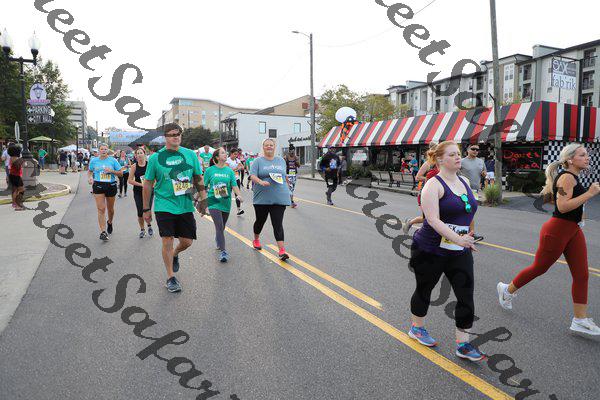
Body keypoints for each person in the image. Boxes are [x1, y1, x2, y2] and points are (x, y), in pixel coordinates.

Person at [497, 144, 600, 336]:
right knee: (539, 268)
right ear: (570, 159)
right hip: (558, 230)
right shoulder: (567, 177)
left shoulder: (572, 177)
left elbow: (556, 200)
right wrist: (589, 193)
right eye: (582, 155)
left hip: (573, 230)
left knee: (582, 275)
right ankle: (507, 290)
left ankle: (580, 319)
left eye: (587, 154)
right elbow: (563, 207)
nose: (587, 157)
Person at [408, 140, 484, 362]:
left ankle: (463, 344)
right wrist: (459, 239)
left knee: (466, 294)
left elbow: (469, 211)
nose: (458, 157)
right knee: (425, 289)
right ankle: (417, 328)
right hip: (430, 249)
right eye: (452, 155)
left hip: (459, 250)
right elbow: (432, 220)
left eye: (458, 153)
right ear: (440, 159)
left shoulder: (465, 181)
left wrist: (468, 235)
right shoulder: (433, 185)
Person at [142, 123, 207, 293]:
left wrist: (204, 199)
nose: (176, 137)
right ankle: (170, 277)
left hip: (185, 204)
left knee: (187, 242)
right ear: (165, 137)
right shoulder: (156, 158)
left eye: (178, 134)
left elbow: (198, 177)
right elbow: (148, 183)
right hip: (164, 204)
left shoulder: (190, 154)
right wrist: (145, 208)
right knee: (167, 239)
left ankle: (175, 253)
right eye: (172, 134)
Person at [249, 138, 291, 261]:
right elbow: (252, 175)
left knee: (277, 223)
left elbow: (284, 176)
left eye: (271, 145)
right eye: (266, 145)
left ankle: (282, 250)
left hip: (279, 196)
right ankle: (256, 239)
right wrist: (260, 181)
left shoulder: (281, 160)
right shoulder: (257, 161)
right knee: (260, 221)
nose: (269, 147)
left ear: (274, 147)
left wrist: (289, 188)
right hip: (262, 197)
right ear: (263, 147)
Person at [205, 147, 243, 262]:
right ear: (217, 157)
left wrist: (239, 195)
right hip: (213, 202)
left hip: (226, 202)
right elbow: (203, 186)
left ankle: (218, 238)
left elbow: (234, 185)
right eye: (222, 153)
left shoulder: (229, 171)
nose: (225, 154)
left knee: (222, 226)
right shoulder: (210, 170)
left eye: (225, 153)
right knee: (219, 226)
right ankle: (223, 252)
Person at [88, 143, 123, 241]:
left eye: (105, 149)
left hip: (110, 185)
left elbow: (121, 173)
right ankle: (103, 232)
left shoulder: (113, 160)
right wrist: (90, 177)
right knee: (101, 209)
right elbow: (90, 171)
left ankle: (110, 222)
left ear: (108, 150)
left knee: (110, 209)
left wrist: (111, 171)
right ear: (99, 150)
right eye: (102, 149)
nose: (103, 151)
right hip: (98, 185)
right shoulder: (94, 160)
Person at [403, 143, 439, 234]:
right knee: (426, 218)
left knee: (436, 217)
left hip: (438, 193)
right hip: (425, 192)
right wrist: (428, 179)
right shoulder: (427, 164)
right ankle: (410, 223)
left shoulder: (441, 164)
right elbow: (418, 177)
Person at [128, 147, 154, 238]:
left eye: (141, 153)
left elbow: (155, 178)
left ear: (144, 154)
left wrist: (153, 184)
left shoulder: (150, 165)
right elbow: (130, 180)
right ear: (135, 156)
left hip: (149, 191)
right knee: (140, 212)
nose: (139, 155)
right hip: (138, 192)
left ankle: (149, 225)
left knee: (147, 210)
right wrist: (142, 185)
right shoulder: (134, 166)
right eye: (137, 153)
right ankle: (142, 229)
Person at [226, 148, 245, 216]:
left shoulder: (237, 160)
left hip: (236, 179)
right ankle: (225, 209)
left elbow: (242, 167)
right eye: (234, 154)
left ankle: (239, 209)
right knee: (228, 194)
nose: (236, 156)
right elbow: (227, 169)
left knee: (237, 194)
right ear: (231, 154)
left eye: (236, 154)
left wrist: (239, 168)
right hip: (229, 179)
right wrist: (235, 169)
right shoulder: (228, 160)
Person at [7, 145, 25, 211]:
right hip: (16, 176)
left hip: (13, 175)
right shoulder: (15, 158)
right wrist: (22, 161)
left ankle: (14, 204)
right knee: (21, 190)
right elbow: (20, 166)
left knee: (15, 190)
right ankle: (18, 205)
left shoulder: (11, 158)